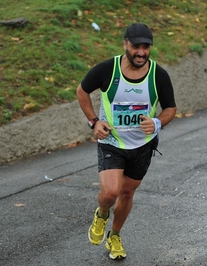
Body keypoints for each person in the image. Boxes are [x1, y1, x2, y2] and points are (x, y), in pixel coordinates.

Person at [76, 23, 177, 260]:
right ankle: (101, 215)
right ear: (125, 45)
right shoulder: (107, 70)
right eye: (136, 47)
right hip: (111, 141)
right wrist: (94, 122)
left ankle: (115, 236)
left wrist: (158, 123)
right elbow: (82, 91)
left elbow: (170, 108)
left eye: (146, 47)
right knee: (111, 192)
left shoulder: (158, 75)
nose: (141, 52)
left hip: (142, 145)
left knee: (127, 194)